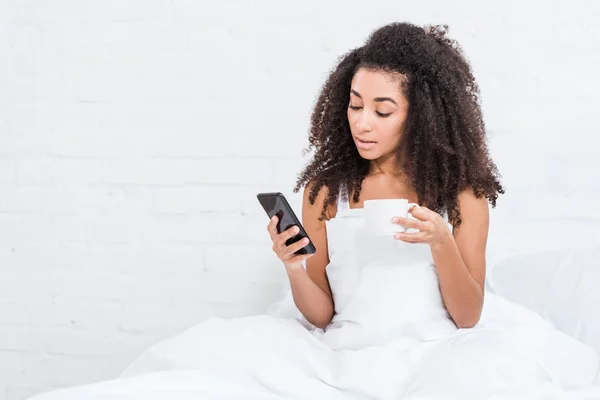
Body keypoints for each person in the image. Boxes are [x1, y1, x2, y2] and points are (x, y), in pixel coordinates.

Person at [29, 22, 599, 400]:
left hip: (436, 353)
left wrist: (441, 241)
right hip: (340, 354)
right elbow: (322, 316)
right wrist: (294, 267)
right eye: (354, 106)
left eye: (382, 109)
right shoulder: (328, 190)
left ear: (422, 114)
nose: (362, 122)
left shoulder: (462, 194)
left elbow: (470, 315)